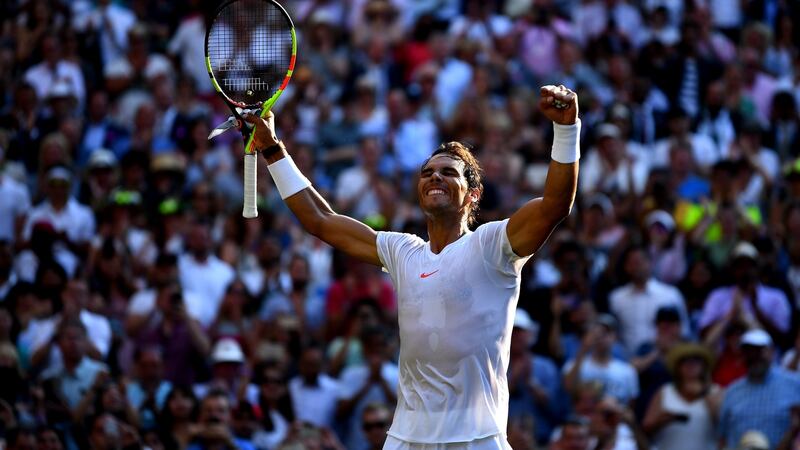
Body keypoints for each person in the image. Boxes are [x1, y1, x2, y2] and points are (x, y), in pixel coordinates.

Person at [243, 84, 580, 449]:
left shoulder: (492, 245)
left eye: (448, 173)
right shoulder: (402, 250)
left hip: (478, 439)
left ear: (473, 194)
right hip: (406, 439)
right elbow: (321, 220)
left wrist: (566, 130)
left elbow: (554, 206)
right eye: (427, 172)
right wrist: (274, 150)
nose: (435, 176)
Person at [719, 329, 800, 450]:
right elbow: (723, 437)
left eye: (759, 351)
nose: (754, 356)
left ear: (772, 352)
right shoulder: (733, 391)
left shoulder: (794, 384)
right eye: (749, 351)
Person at [642, 342, 720, 450]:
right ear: (678, 366)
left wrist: (703, 392)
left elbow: (722, 425)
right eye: (685, 360)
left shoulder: (715, 391)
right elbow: (646, 429)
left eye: (696, 359)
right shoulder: (665, 391)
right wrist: (664, 420)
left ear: (704, 365)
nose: (691, 364)